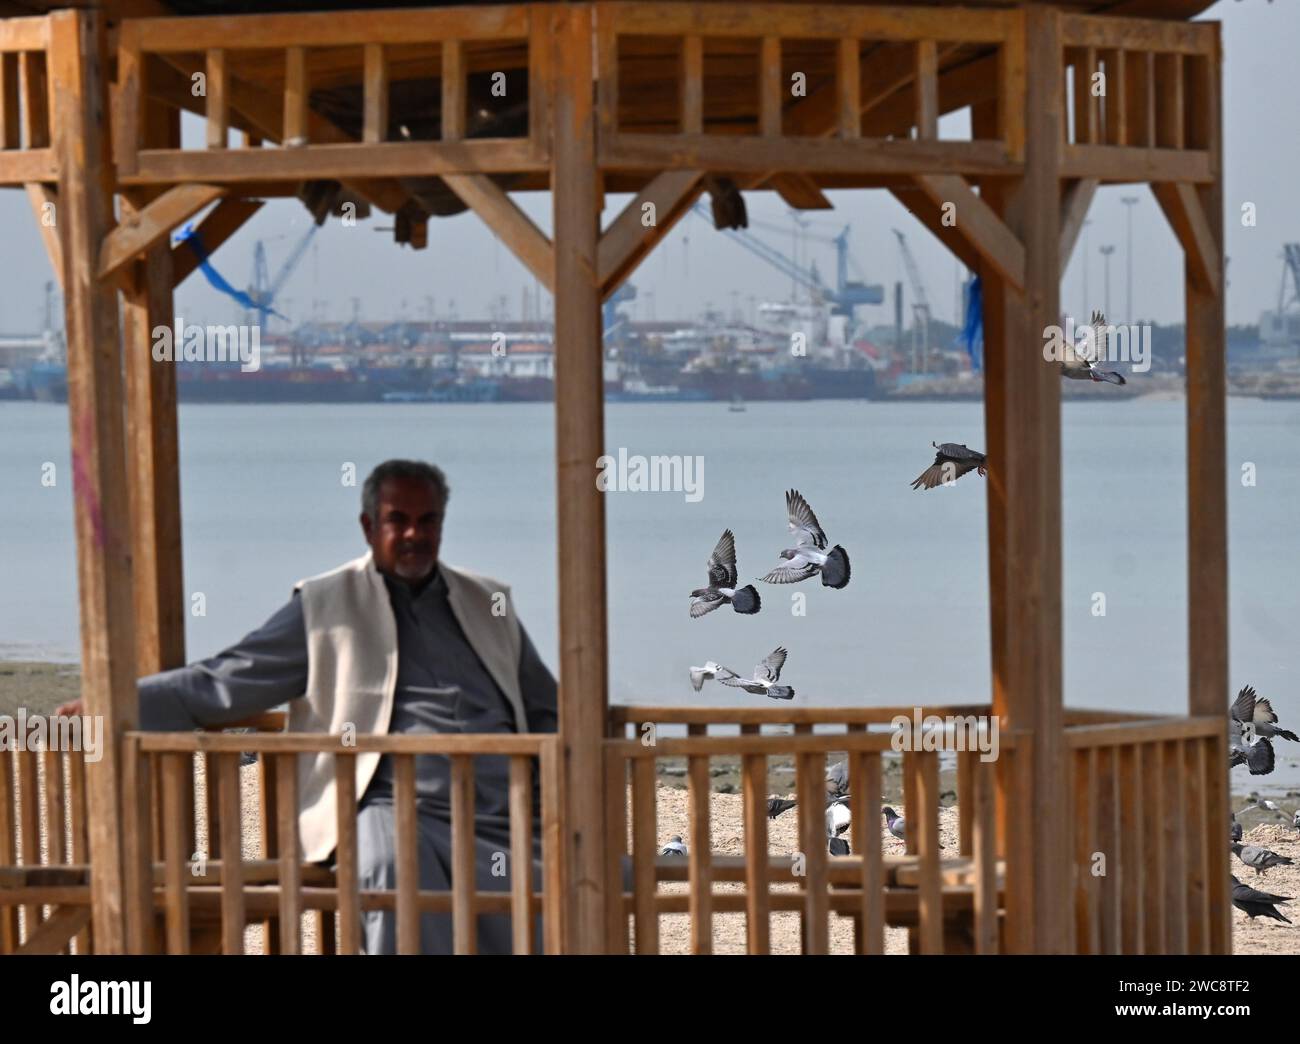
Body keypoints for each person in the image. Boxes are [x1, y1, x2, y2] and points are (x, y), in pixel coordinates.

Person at [59, 459, 557, 954]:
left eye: (427, 521)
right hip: (390, 805)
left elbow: (547, 707)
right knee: (389, 863)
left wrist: (559, 781)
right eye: (397, 520)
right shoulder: (327, 604)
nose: (413, 534)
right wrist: (112, 705)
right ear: (368, 526)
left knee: (609, 871)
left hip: (500, 815)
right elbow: (227, 678)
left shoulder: (488, 602)